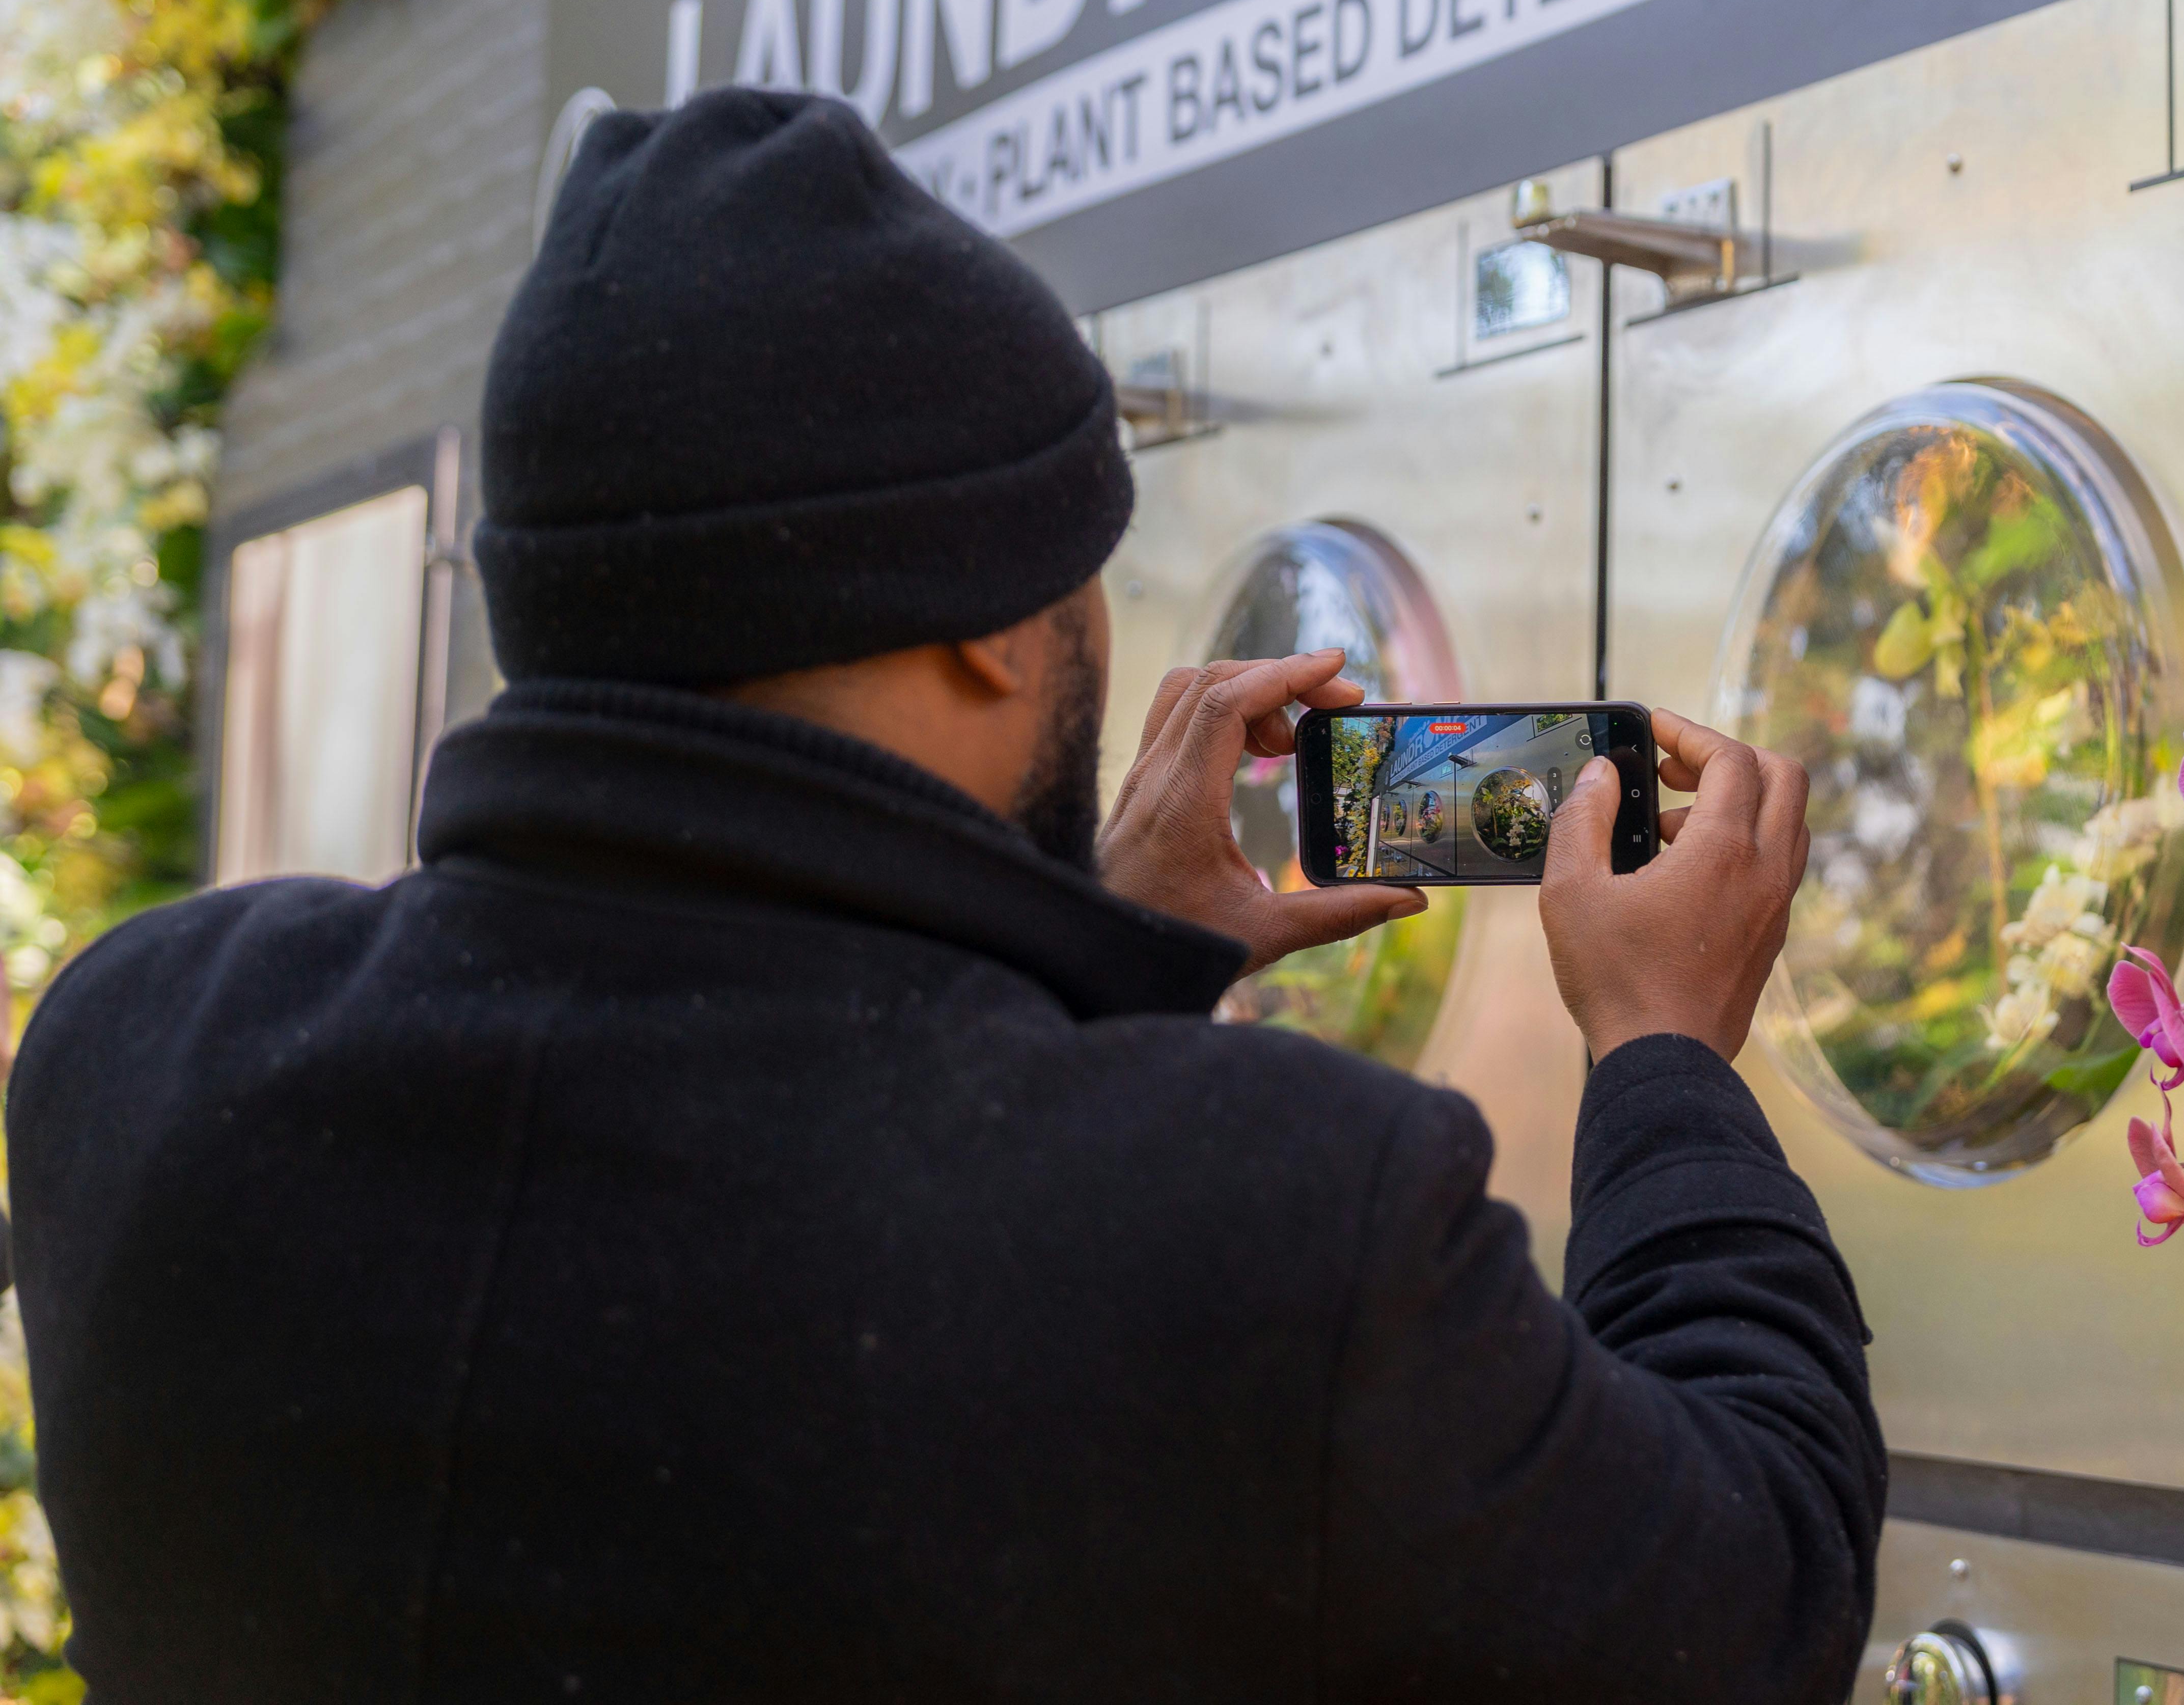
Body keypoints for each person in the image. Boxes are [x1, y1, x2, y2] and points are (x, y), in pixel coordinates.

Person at [5, 90, 1884, 1700]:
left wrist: (1093, 981)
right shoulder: (1277, 1212)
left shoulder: (135, 1060)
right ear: (999, 625)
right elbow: (1754, 1597)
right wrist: (1662, 1055)